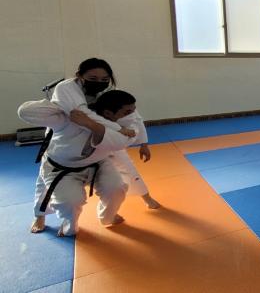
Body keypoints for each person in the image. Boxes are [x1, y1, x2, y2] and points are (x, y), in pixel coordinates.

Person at [30, 58, 158, 234]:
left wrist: (143, 142)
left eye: (104, 79)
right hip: (65, 141)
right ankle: (40, 214)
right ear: (79, 75)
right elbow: (80, 114)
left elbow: (134, 117)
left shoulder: (110, 93)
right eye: (93, 78)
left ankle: (137, 201)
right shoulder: (68, 89)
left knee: (124, 172)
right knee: (48, 182)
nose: (99, 82)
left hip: (102, 141)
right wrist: (115, 128)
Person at [19, 90, 138, 237]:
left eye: (133, 111)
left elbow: (121, 141)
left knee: (117, 188)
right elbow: (25, 112)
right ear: (108, 112)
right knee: (66, 200)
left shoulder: (126, 128)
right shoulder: (69, 116)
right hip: (60, 165)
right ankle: (48, 217)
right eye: (128, 112)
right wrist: (63, 103)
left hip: (98, 163)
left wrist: (90, 123)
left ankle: (108, 216)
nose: (132, 115)